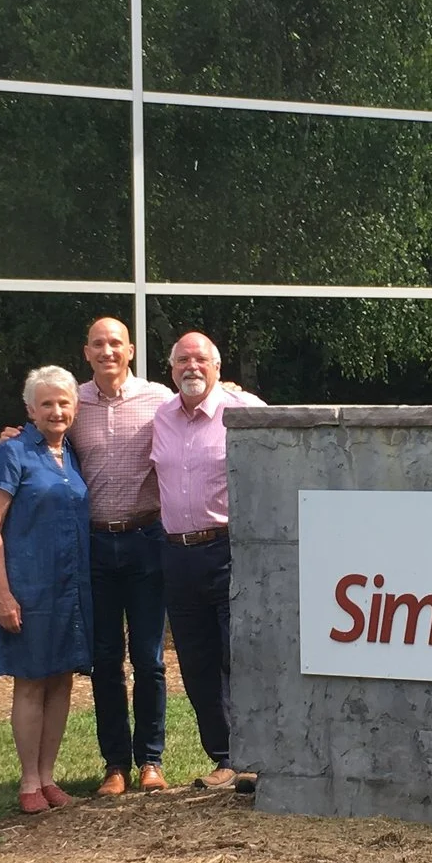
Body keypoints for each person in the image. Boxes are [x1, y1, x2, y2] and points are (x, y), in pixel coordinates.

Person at [152, 332, 266, 791]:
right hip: (177, 554)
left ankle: (257, 756)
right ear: (171, 368)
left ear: (217, 368)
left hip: (229, 550)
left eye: (201, 359)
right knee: (197, 663)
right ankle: (224, 758)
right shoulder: (160, 416)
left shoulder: (244, 411)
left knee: (240, 655)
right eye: (182, 360)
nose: (191, 367)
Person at [0, 366, 94, 813]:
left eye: (64, 402)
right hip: (27, 586)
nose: (56, 410)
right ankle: (28, 781)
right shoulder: (12, 453)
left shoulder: (72, 456)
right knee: (30, 682)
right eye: (46, 403)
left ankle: (49, 777)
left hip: (70, 585)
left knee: (61, 679)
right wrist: (3, 593)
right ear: (30, 409)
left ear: (75, 407)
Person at [72, 315, 172, 796]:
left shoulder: (158, 399)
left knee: (149, 658)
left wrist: (229, 388)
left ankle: (151, 760)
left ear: (130, 350)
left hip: (146, 538)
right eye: (98, 344)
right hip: (93, 543)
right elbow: (42, 435)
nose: (107, 351)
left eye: (115, 343)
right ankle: (115, 764)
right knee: (105, 659)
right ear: (86, 352)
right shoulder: (72, 402)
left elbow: (205, 409)